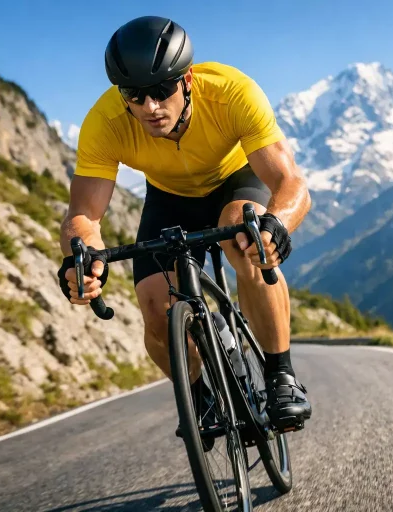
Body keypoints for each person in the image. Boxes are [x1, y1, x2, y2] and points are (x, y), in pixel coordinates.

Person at [57, 15, 312, 434]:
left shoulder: (231, 93)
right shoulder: (105, 124)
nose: (150, 107)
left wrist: (276, 225)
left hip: (234, 181)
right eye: (135, 95)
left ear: (187, 79)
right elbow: (83, 214)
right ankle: (200, 399)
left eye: (161, 90)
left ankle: (281, 376)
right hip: (168, 199)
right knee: (155, 308)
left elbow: (291, 182)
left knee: (246, 240)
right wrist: (81, 259)